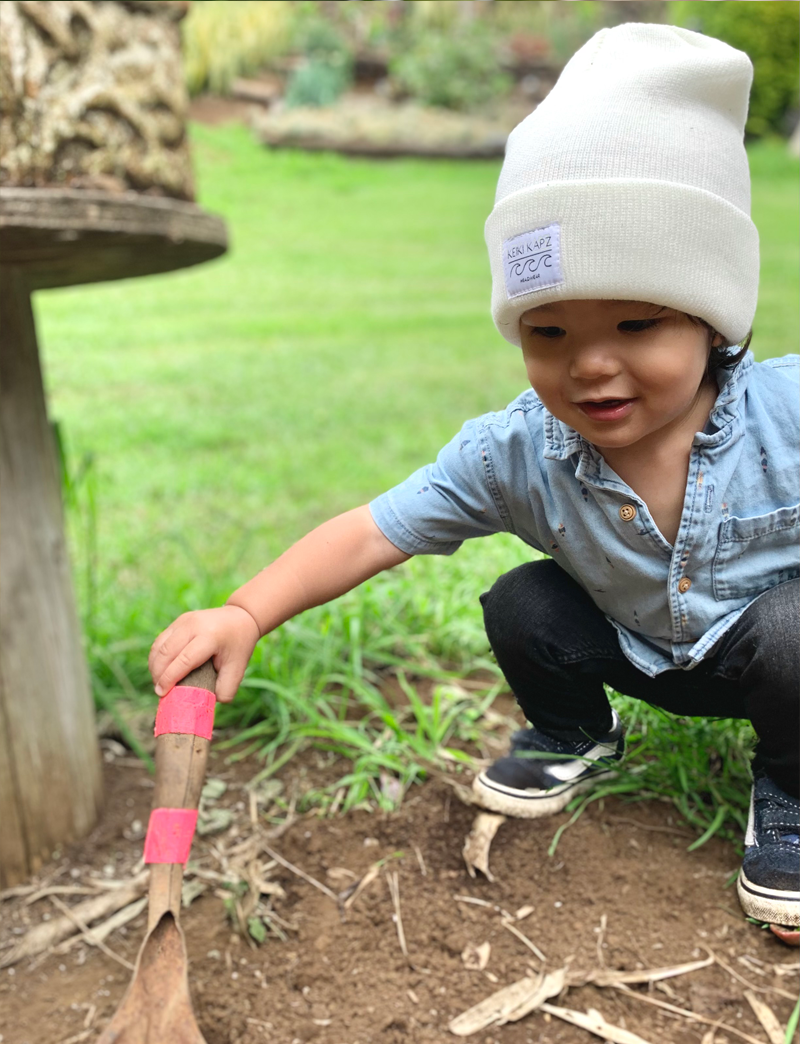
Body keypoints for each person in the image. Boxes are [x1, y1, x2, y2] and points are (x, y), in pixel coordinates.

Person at [149, 24, 799, 933]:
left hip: (772, 661)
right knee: (522, 604)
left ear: (714, 318)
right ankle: (576, 732)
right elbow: (376, 528)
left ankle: (791, 787)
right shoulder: (516, 450)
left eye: (639, 324)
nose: (593, 367)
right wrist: (247, 610)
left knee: (796, 627)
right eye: (551, 333)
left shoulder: (788, 417)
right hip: (640, 650)